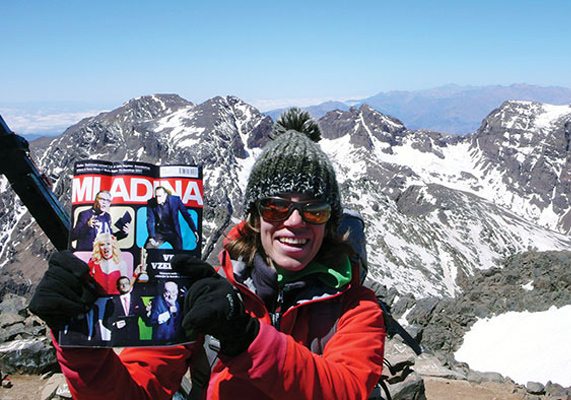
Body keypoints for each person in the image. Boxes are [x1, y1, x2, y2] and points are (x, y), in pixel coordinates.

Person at [28, 108, 385, 399]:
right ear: (254, 217)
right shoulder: (205, 294)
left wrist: (247, 336)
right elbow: (136, 392)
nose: (295, 221)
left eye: (315, 210)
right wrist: (79, 343)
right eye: (276, 208)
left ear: (330, 222)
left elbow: (346, 389)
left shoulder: (357, 308)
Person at [103, 276, 147, 344]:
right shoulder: (112, 302)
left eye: (126, 283)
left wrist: (148, 311)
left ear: (130, 285)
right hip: (118, 338)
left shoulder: (137, 299)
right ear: (118, 287)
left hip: (134, 338)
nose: (124, 286)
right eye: (122, 284)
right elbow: (106, 321)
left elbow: (145, 318)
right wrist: (115, 325)